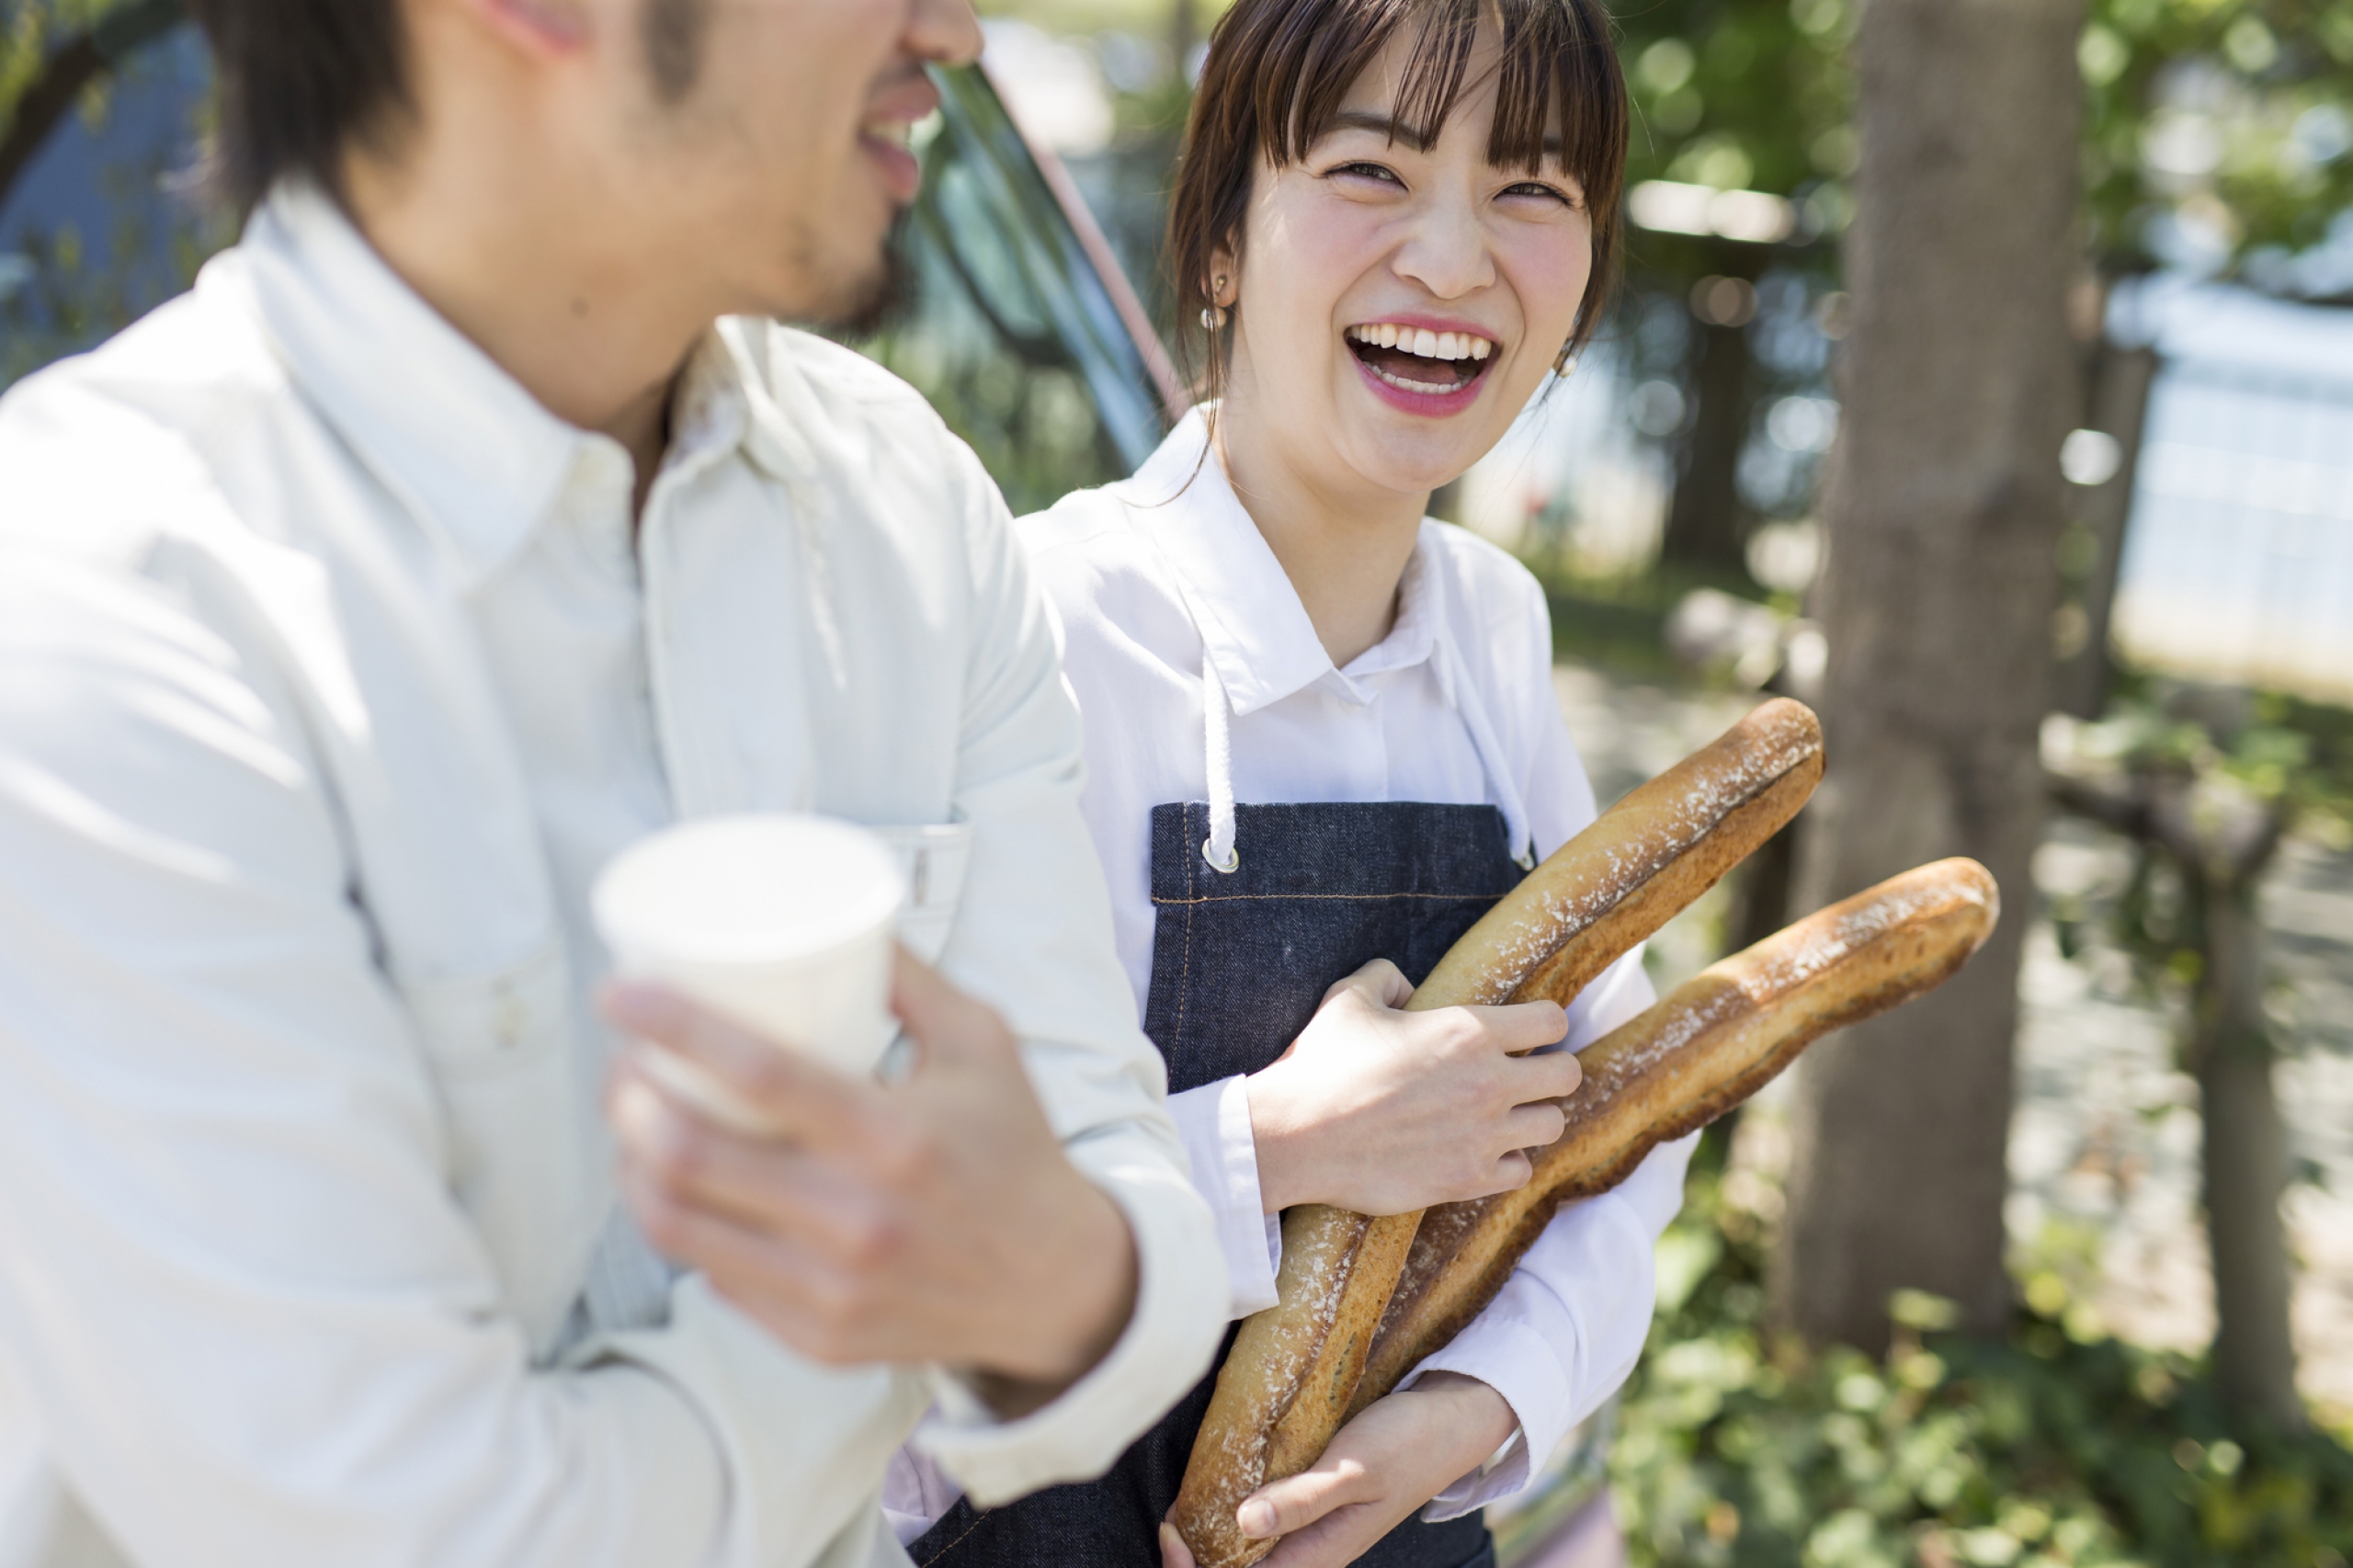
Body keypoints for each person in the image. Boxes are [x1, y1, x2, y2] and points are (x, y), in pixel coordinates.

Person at [0, 0, 1229, 1564]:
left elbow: (1133, 1222)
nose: (959, 32)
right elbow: (440, 1535)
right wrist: (954, 1306)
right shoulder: (94, 599)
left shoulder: (913, 515)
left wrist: (1062, 1276)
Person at [887, 1, 1695, 1564]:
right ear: (1221, 250)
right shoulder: (1037, 632)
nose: (1455, 260)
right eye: (1370, 170)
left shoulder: (1494, 637)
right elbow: (882, 1249)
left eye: (1532, 189)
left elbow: (1625, 1120)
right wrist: (1277, 1146)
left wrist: (1472, 1411)